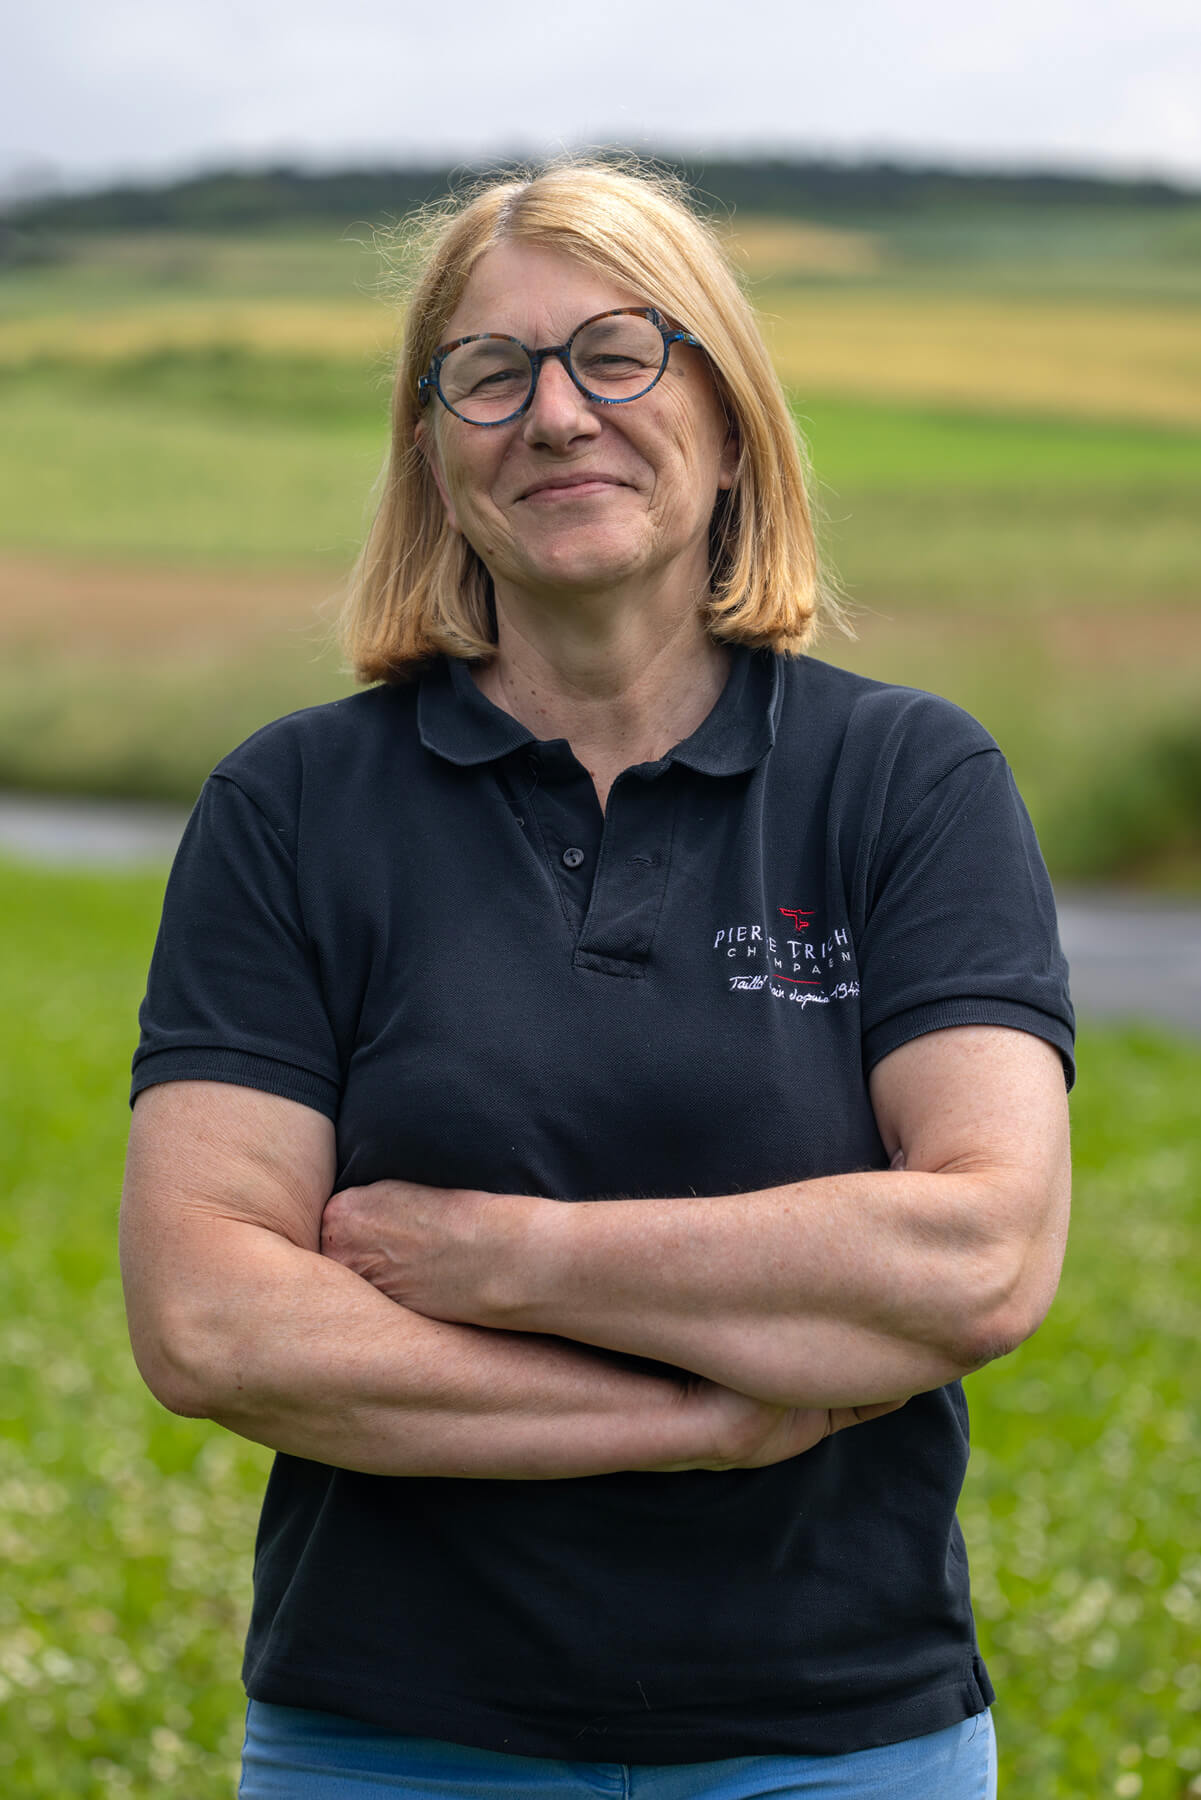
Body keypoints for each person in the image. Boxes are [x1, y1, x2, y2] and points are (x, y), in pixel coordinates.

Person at [120, 160, 1073, 1800]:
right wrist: (701, 1418)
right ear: (431, 454)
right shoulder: (288, 807)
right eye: (488, 373)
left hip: (840, 1738)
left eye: (618, 354)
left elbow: (977, 1255)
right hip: (394, 1740)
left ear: (727, 420)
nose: (555, 416)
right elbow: (211, 1321)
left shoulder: (906, 781)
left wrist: (500, 1255)